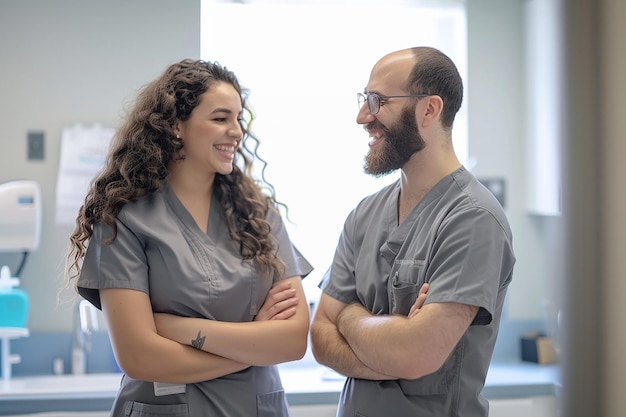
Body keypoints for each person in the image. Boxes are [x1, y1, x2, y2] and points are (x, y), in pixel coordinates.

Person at [64, 59, 312, 417]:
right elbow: (139, 357)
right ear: (177, 125)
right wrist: (253, 344)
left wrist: (179, 329)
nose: (237, 132)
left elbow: (291, 341)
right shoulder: (125, 219)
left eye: (239, 118)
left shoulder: (259, 215)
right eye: (220, 118)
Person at [310, 46, 515, 417]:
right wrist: (394, 342)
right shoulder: (364, 214)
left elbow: (417, 353)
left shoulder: (473, 219)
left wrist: (349, 316)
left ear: (429, 109)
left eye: (377, 101)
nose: (362, 116)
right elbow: (321, 338)